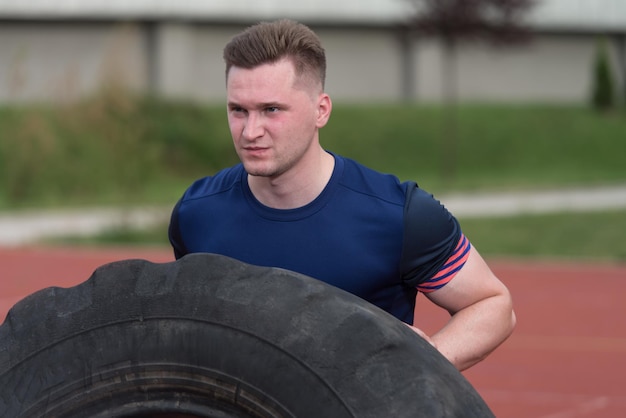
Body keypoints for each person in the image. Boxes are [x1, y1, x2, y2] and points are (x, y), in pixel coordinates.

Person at [168, 19, 515, 371]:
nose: (250, 131)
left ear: (321, 110)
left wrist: (422, 363)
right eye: (238, 110)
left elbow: (493, 304)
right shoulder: (196, 214)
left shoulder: (399, 214)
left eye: (271, 110)